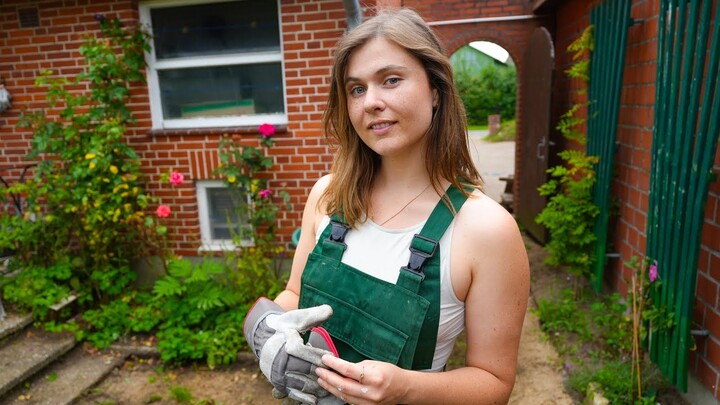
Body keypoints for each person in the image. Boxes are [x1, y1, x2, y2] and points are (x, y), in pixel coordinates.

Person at [244, 8, 529, 405]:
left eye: (390, 80)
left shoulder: (486, 229)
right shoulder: (328, 195)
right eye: (356, 89)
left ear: (435, 89)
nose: (371, 102)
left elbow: (494, 382)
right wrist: (271, 327)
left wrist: (405, 388)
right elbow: (296, 294)